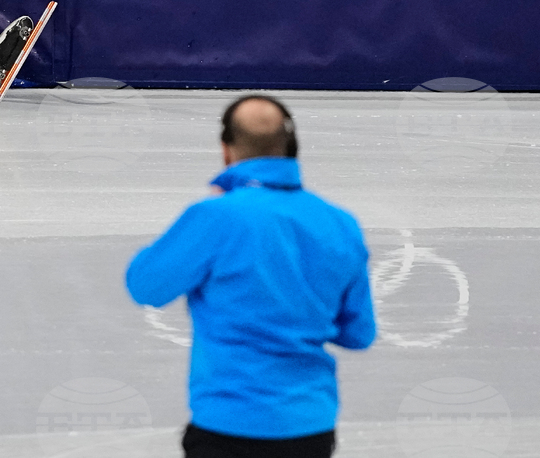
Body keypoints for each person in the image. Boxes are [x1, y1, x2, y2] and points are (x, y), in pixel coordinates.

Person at [126, 95, 376, 458]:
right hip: (310, 428)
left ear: (226, 151)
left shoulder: (216, 218)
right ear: (292, 148)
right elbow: (358, 333)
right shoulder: (340, 224)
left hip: (228, 426)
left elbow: (145, 286)